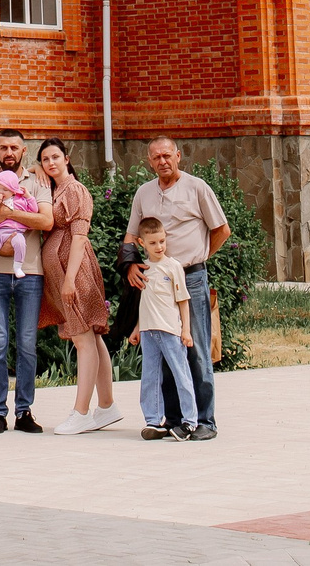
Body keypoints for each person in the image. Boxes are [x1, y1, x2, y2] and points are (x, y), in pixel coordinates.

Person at [126, 136, 230, 440]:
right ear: (149, 162)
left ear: (178, 156)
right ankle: (173, 420)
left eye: (167, 155)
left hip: (190, 278)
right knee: (164, 352)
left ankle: (205, 421)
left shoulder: (197, 188)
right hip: (155, 283)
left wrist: (199, 257)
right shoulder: (144, 193)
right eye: (156, 157)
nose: (163, 161)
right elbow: (131, 236)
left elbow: (222, 230)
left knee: (195, 349)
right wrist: (131, 265)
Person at [35, 139, 124, 435]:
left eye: (55, 157)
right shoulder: (54, 189)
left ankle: (81, 412)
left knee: (83, 339)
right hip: (63, 273)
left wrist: (70, 279)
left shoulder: (74, 190)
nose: (51, 163)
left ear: (67, 158)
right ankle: (107, 406)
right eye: (45, 159)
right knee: (91, 339)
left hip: (76, 271)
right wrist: (36, 170)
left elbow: (79, 237)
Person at [0, 127, 51, 434]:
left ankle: (24, 411)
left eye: (14, 148)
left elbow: (46, 220)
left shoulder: (38, 182)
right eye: (3, 147)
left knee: (27, 344)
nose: (9, 152)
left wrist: (9, 214)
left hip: (30, 273)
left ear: (23, 151)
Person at [127, 217, 206, 441]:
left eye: (162, 241)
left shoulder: (173, 267)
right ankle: (153, 420)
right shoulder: (143, 268)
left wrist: (186, 330)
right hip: (148, 331)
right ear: (142, 243)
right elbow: (145, 302)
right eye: (153, 243)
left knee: (181, 374)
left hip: (170, 330)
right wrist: (137, 328)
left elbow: (183, 301)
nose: (159, 247)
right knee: (150, 377)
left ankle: (189, 421)